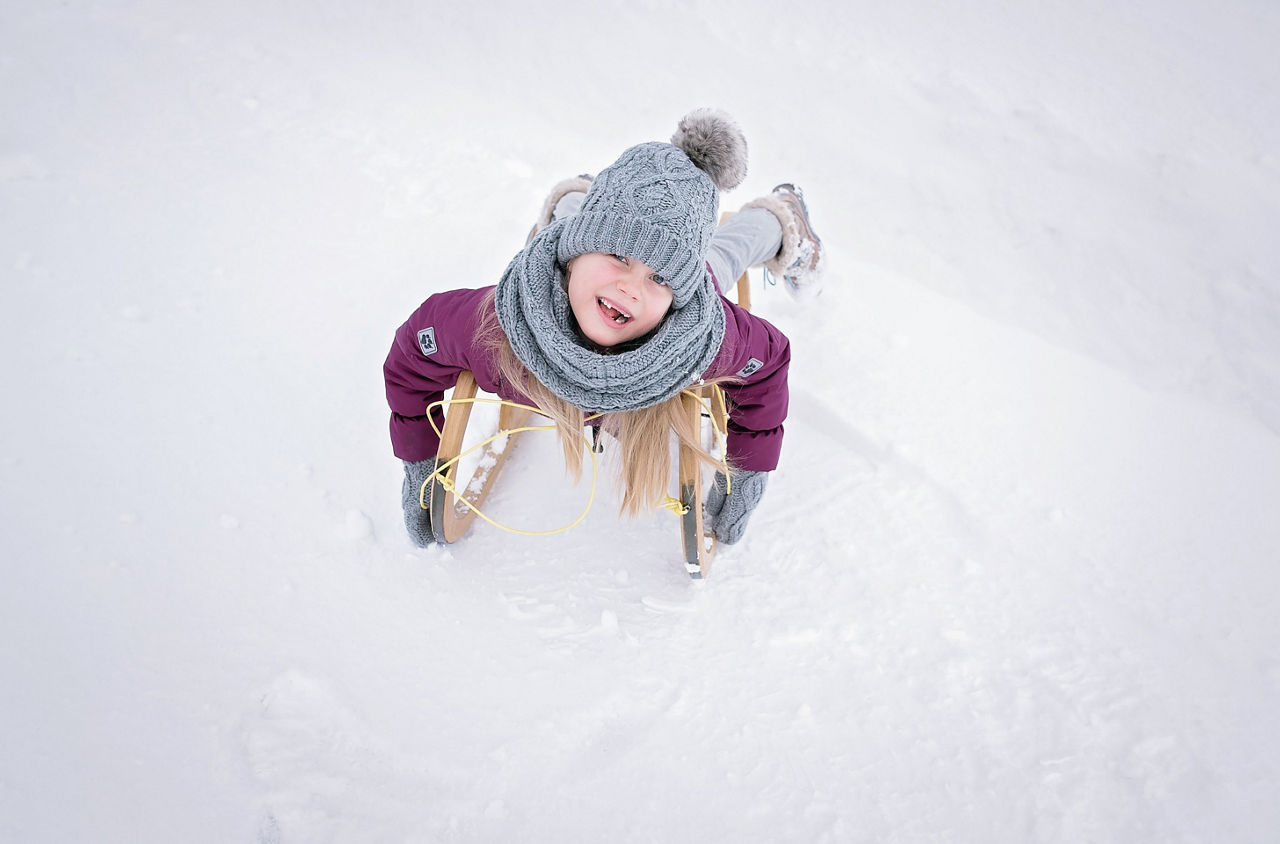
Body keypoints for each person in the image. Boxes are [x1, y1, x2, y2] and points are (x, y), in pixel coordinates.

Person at [384, 109, 824, 548]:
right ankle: (577, 200)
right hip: (578, 256)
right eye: (619, 258)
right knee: (577, 229)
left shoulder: (699, 337)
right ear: (574, 252)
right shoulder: (497, 326)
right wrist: (420, 460)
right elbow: (414, 351)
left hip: (684, 279)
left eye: (659, 278)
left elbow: (768, 360)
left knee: (723, 257)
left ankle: (780, 216)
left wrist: (748, 468)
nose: (631, 289)